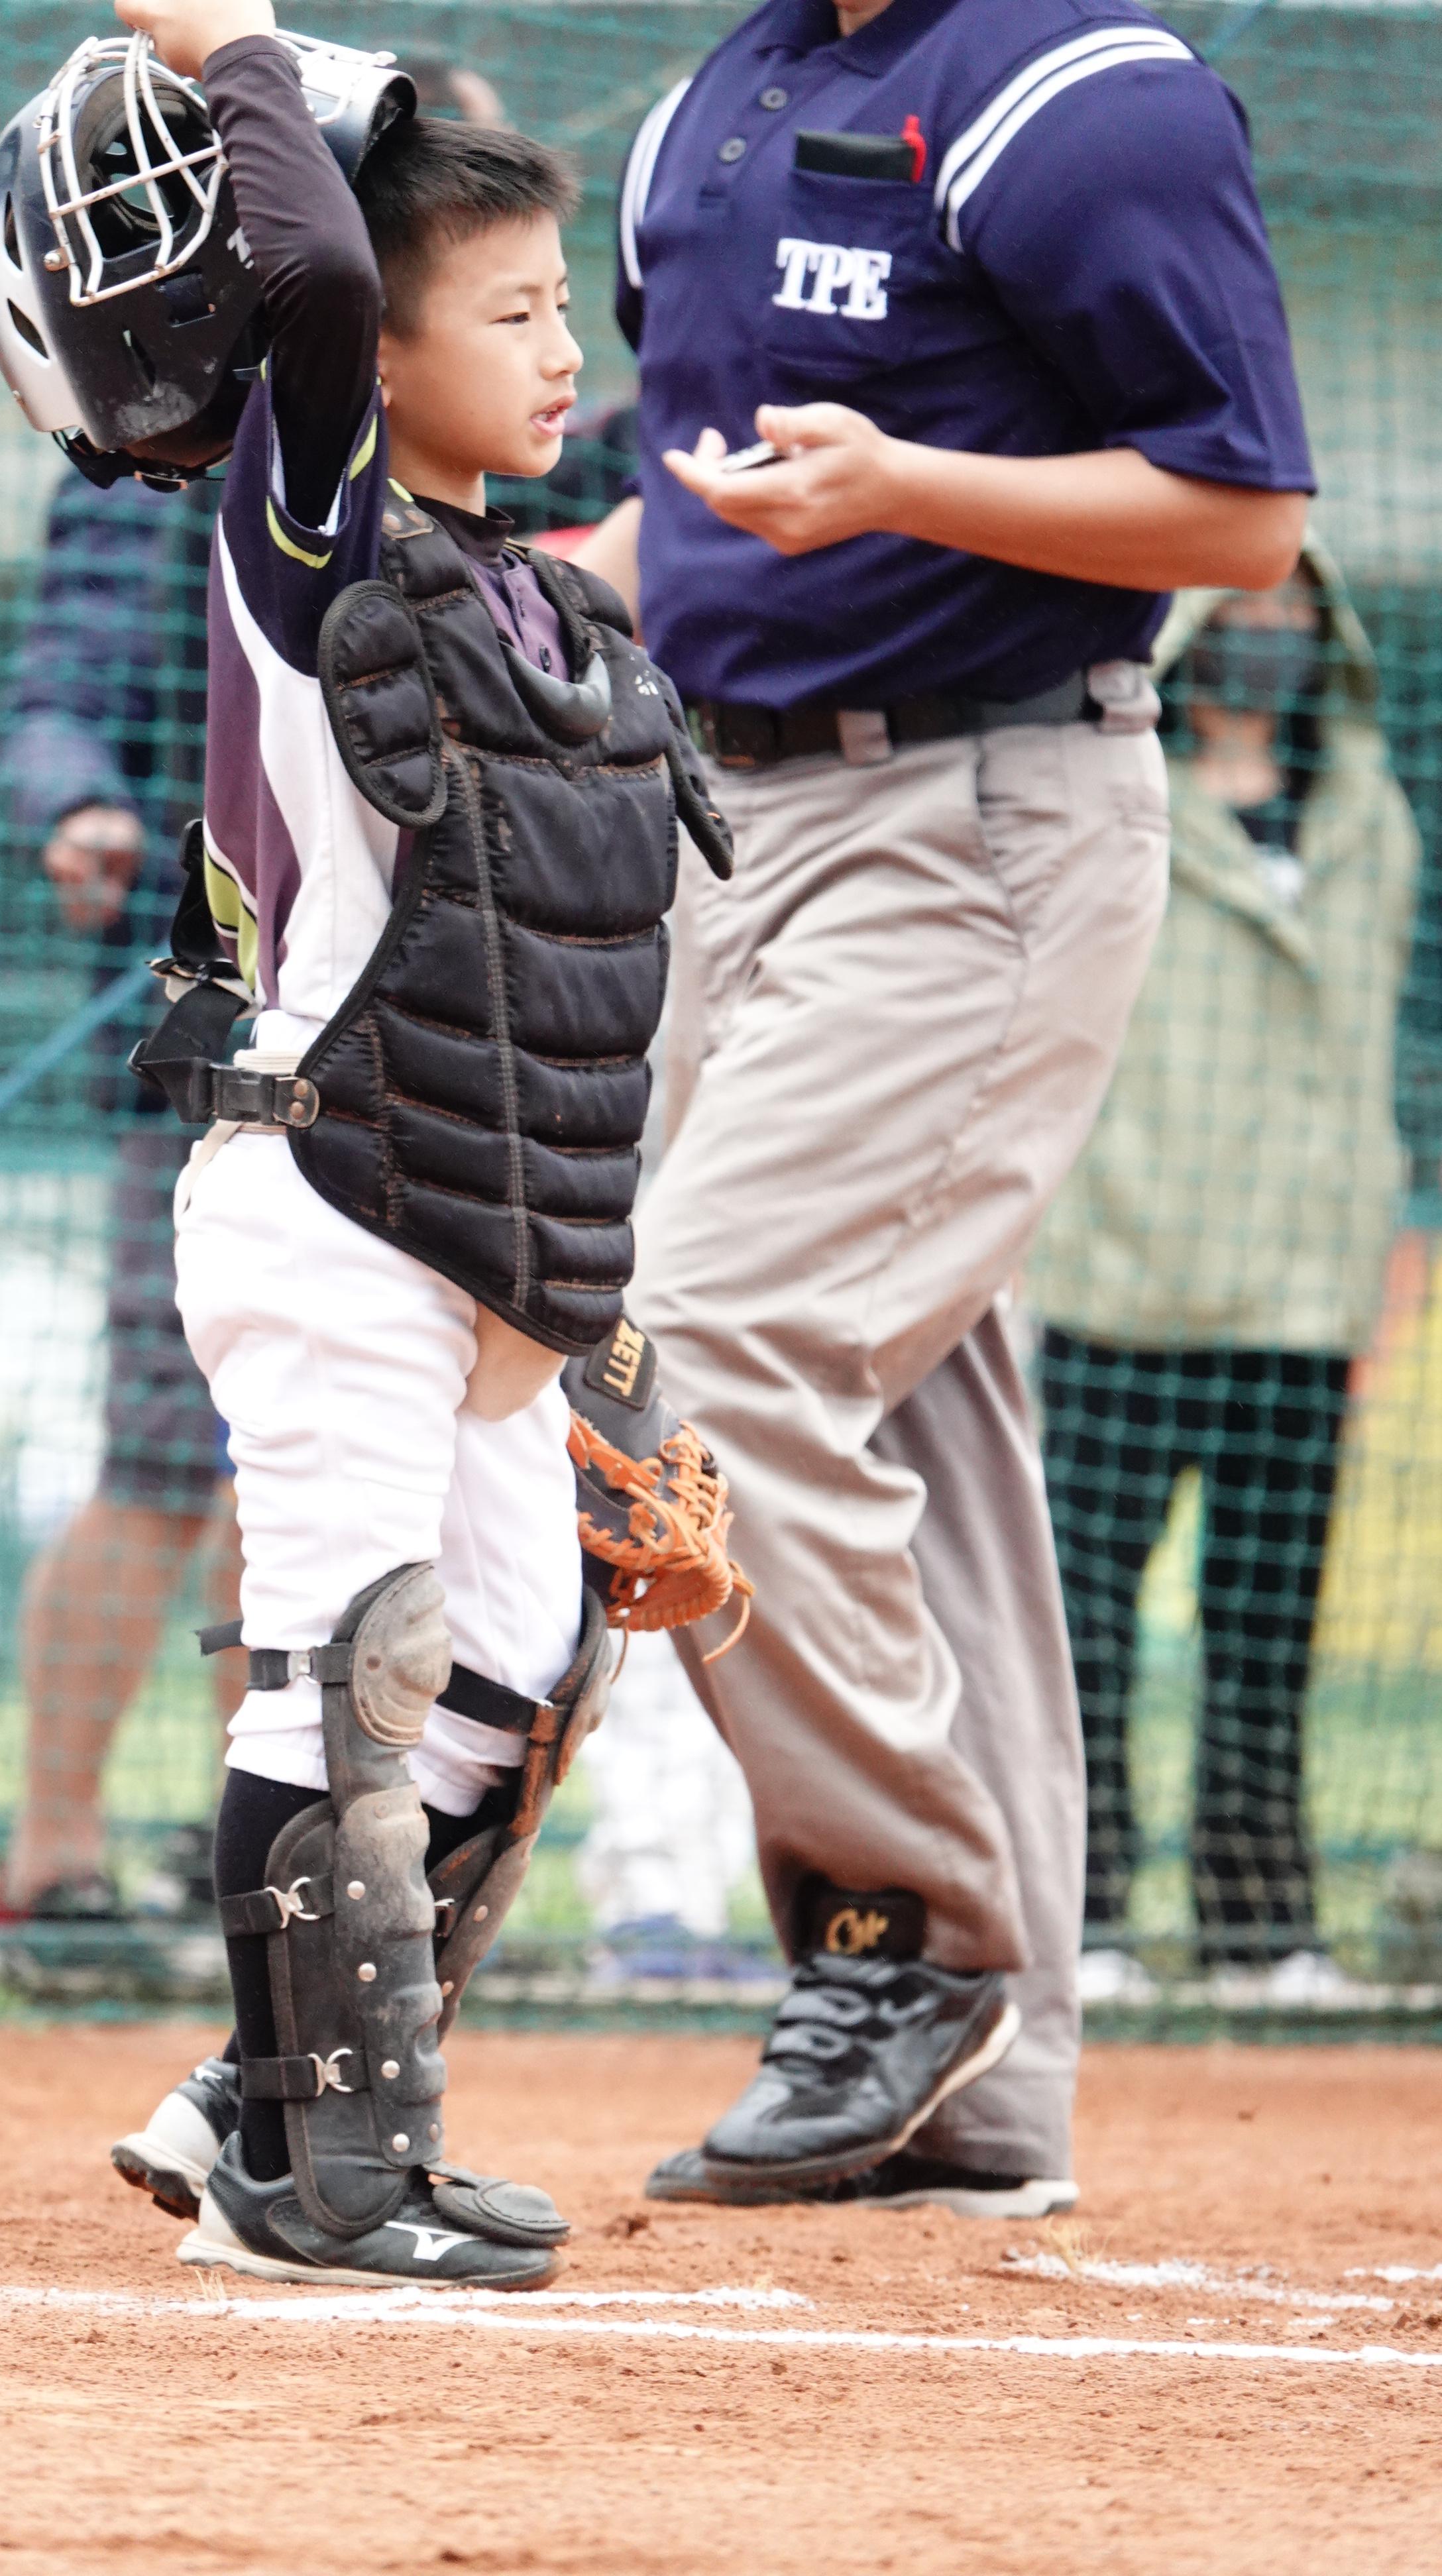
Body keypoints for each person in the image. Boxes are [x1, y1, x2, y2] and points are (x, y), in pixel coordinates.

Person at [0, 0, 734, 2288]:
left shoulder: (525, 584)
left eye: (560, 305)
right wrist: (237, 44)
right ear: (374, 361)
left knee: (524, 1661)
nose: (561, 349)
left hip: (474, 1214)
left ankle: (265, 2094)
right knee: (355, 1658)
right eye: (504, 314)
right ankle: (328, 2173)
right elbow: (311, 271)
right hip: (322, 1188)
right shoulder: (303, 546)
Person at [574, 0, 1311, 2216]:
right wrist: (530, 584)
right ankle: (988, 2086)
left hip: (980, 811)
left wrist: (904, 483)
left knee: (717, 1347)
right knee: (921, 1431)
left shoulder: (1081, 97)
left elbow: (1245, 514)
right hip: (739, 821)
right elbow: (700, 507)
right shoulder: (710, 106)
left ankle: (907, 1934)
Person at [1026, 543, 1417, 2006]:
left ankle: (1264, 1930)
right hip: (1123, 1281)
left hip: (1300, 1300)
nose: (1266, 631)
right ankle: (1084, 1919)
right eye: (1239, 608)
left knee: (1267, 1630)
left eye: (1289, 609)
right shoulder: (1111, 795)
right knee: (1083, 1631)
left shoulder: (1365, 810)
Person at [0, 472, 244, 1925]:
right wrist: (79, 805)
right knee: (162, 1456)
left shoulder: (445, 428)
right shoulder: (144, 472)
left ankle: (265, 1855)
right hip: (198, 1039)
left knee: (322, 1470)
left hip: (414, 1033)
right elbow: (59, 698)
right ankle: (51, 1854)